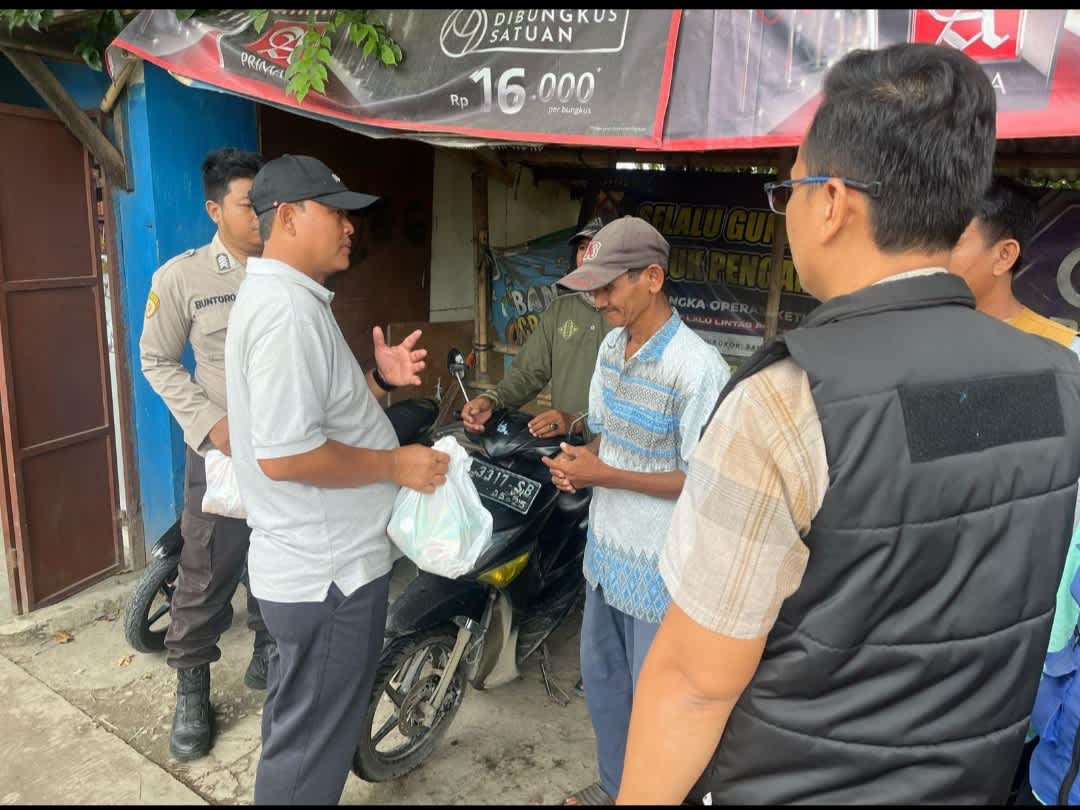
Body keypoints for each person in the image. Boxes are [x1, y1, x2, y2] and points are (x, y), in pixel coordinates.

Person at [616, 43, 1080, 805]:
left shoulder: (787, 401)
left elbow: (695, 685)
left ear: (831, 202)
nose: (790, 211)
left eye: (789, 189)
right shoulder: (1058, 380)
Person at [224, 154, 450, 805]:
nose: (351, 226)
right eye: (336, 212)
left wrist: (376, 383)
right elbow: (285, 455)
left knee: (300, 734)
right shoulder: (286, 314)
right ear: (289, 217)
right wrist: (395, 464)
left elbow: (310, 421)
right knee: (309, 754)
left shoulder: (288, 301)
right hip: (327, 576)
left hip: (317, 569)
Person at [541, 215, 730, 806]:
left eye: (609, 286)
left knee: (660, 705)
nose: (599, 301)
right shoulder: (609, 347)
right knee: (605, 687)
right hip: (605, 557)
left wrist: (604, 475)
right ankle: (614, 787)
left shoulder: (699, 368)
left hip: (662, 573)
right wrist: (582, 459)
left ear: (653, 277)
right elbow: (607, 436)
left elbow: (701, 483)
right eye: (593, 288)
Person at [139, 147, 274, 761]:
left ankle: (268, 648)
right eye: (249, 205)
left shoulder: (287, 269)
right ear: (215, 210)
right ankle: (192, 687)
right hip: (221, 452)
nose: (262, 215)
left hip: (287, 450)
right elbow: (156, 360)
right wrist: (210, 423)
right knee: (206, 568)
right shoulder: (183, 278)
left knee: (278, 552)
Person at [950, 179, 1080, 806]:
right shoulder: (918, 346)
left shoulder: (1063, 357)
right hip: (921, 613)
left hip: (1018, 624)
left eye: (953, 236)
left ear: (1004, 255)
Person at [461, 215, 611, 440]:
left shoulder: (630, 315)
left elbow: (639, 402)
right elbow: (528, 372)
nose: (587, 256)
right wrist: (492, 400)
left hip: (619, 451)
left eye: (596, 248)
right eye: (582, 248)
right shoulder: (560, 309)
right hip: (567, 445)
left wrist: (579, 422)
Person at [949, 175, 1080, 353]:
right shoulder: (916, 337)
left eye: (950, 242)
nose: (929, 256)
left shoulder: (1066, 352)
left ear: (1004, 255)